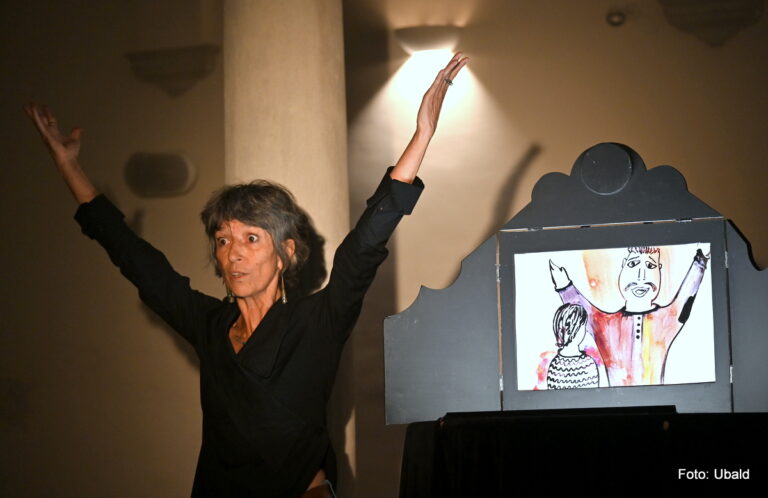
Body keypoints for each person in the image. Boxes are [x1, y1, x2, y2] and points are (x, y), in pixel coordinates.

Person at [27, 53, 468, 498]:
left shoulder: (317, 322)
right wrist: (68, 164)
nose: (234, 254)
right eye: (223, 241)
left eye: (252, 239)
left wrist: (421, 135)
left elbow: (364, 246)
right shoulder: (209, 326)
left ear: (285, 254)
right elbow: (134, 257)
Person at [549, 246, 709, 387]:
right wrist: (564, 285)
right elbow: (584, 311)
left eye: (650, 266)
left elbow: (686, 296)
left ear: (659, 270)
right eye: (633, 264)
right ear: (623, 267)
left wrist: (700, 263)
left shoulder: (666, 320)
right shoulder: (605, 325)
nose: (641, 276)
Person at [546, 303, 599, 389]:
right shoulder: (588, 364)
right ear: (573, 328)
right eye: (583, 326)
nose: (585, 330)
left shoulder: (554, 364)